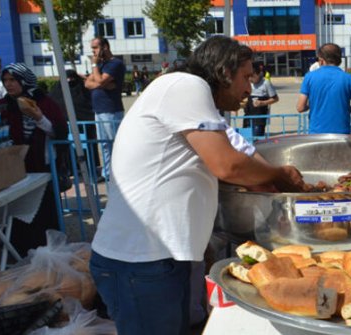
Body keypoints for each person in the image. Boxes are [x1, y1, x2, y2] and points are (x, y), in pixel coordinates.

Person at [88, 35, 305, 335]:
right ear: (224, 71)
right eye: (245, 77)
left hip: (161, 260)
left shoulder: (192, 99)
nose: (248, 87)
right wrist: (279, 176)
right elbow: (228, 164)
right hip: (140, 261)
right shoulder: (186, 86)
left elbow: (228, 155)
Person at [0, 63, 68, 256]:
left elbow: (59, 132)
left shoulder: (44, 103)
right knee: (18, 216)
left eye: (13, 80)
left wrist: (38, 118)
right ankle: (20, 256)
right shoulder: (3, 105)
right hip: (13, 172)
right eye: (5, 81)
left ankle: (49, 255)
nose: (9, 84)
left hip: (42, 169)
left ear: (24, 80)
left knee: (43, 215)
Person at [296, 43, 351, 134]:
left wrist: (314, 105)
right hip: (342, 132)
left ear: (321, 60)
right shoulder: (349, 78)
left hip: (316, 132)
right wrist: (344, 107)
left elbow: (300, 107)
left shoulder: (309, 77)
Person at [85, 37, 125, 182]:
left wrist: (95, 67)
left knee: (114, 143)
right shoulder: (101, 65)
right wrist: (100, 83)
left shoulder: (115, 63)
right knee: (104, 144)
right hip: (99, 110)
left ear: (105, 47)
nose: (93, 52)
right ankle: (108, 174)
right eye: (92, 49)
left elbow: (100, 80)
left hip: (111, 110)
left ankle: (119, 175)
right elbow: (88, 83)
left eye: (95, 48)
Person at [48, 69, 100, 170]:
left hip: (85, 126)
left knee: (87, 148)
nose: (70, 81)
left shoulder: (83, 91)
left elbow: (89, 106)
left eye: (72, 79)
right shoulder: (57, 91)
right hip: (67, 127)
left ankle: (89, 167)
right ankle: (72, 168)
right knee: (69, 149)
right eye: (67, 79)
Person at [244, 63, 278, 136]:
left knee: (257, 137)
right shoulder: (248, 83)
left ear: (259, 73)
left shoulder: (266, 83)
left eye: (252, 76)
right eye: (248, 76)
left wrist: (262, 103)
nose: (250, 79)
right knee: (246, 138)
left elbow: (275, 99)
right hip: (248, 116)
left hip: (259, 118)